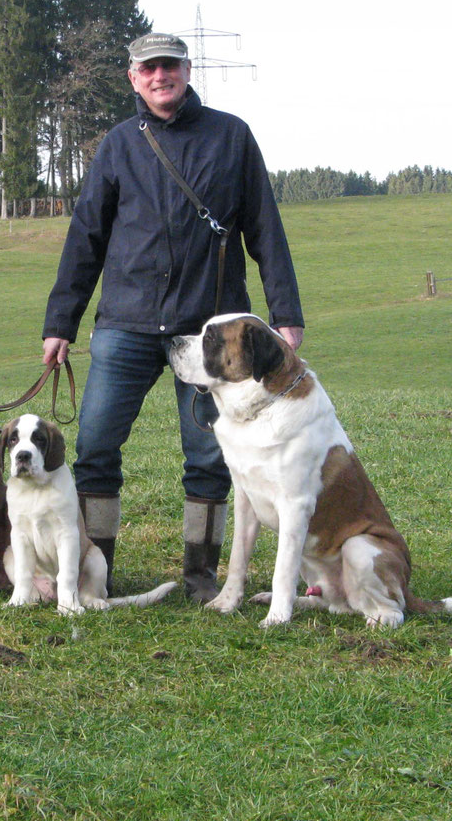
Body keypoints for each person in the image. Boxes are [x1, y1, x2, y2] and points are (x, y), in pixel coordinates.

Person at [40, 31, 305, 602]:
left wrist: (285, 313)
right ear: (133, 78)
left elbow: (265, 228)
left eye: (171, 66)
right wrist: (60, 323)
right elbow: (85, 238)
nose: (161, 76)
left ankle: (201, 579)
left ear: (188, 71)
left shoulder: (231, 137)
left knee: (208, 457)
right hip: (124, 324)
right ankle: (95, 573)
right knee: (97, 447)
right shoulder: (118, 144)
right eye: (149, 69)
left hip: (207, 332)